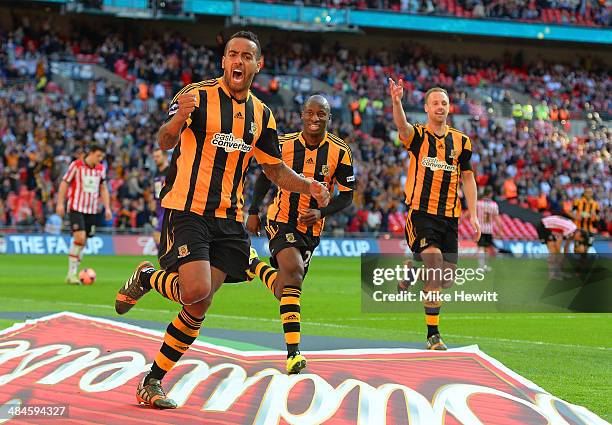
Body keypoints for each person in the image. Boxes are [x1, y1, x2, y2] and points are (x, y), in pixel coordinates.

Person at [114, 31, 329, 409]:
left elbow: (275, 171)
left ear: (257, 65)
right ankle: (148, 276)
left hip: (228, 218)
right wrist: (180, 118)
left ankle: (152, 381)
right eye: (232, 54)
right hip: (187, 208)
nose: (239, 61)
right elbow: (165, 141)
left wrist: (307, 185)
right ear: (223, 61)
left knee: (198, 304)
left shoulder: (262, 115)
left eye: (247, 56)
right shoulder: (196, 95)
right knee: (195, 290)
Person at [245, 95, 354, 374]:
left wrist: (320, 213)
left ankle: (254, 265)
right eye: (310, 113)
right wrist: (255, 210)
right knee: (292, 272)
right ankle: (293, 353)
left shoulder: (340, 152)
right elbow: (264, 176)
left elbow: (347, 196)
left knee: (286, 287)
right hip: (281, 219)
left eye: (322, 114)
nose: (315, 118)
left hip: (312, 230)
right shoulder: (284, 144)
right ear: (302, 115)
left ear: (329, 117)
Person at [388, 79, 480, 350]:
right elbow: (401, 127)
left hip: (450, 217)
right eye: (435, 103)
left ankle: (411, 269)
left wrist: (473, 215)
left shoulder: (461, 142)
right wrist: (396, 102)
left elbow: (468, 178)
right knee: (436, 264)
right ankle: (433, 335)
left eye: (444, 103)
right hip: (421, 214)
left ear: (449, 108)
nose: (440, 106)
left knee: (446, 279)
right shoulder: (418, 136)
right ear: (427, 108)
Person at [56, 144, 111, 284]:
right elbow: (64, 183)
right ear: (90, 153)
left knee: (83, 241)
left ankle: (73, 273)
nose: (100, 159)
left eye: (102, 157)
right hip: (76, 207)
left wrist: (108, 207)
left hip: (91, 210)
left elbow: (103, 189)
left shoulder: (100, 169)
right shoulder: (77, 165)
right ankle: (71, 274)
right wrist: (60, 203)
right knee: (79, 238)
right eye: (98, 156)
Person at [538, 214, 577, 280]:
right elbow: (559, 244)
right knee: (554, 252)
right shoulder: (570, 229)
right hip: (544, 226)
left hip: (551, 227)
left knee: (556, 253)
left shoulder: (572, 229)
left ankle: (557, 273)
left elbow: (566, 246)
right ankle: (553, 275)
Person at [476, 187, 502, 272]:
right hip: (489, 229)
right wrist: (500, 229)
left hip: (479, 229)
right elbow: (497, 218)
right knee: (486, 248)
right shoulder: (494, 205)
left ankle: (481, 266)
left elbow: (470, 213)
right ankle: (484, 266)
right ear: (490, 194)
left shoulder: (478, 203)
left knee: (480, 247)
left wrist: (461, 220)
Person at [572, 187, 599, 255]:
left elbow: (598, 217)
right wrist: (577, 216)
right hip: (579, 228)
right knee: (577, 249)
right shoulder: (577, 201)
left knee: (587, 248)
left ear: (592, 194)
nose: (589, 194)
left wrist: (594, 216)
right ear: (584, 193)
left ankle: (582, 262)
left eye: (590, 192)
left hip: (590, 229)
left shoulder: (596, 204)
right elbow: (572, 212)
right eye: (587, 192)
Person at [152, 148, 169, 248]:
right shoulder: (156, 174)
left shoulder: (171, 172)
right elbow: (156, 195)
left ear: (165, 157)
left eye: (158, 156)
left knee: (157, 235)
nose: (155, 159)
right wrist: (154, 213)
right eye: (154, 157)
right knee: (161, 237)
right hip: (159, 209)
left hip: (167, 207)